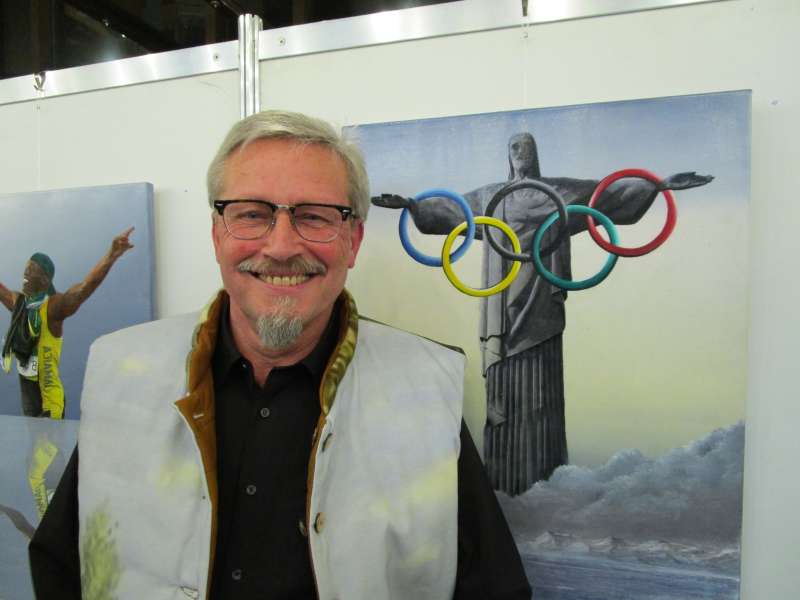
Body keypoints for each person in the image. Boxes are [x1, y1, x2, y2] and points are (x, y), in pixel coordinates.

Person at [29, 111, 532, 600]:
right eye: (252, 214)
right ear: (216, 234)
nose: (281, 245)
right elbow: (60, 567)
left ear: (353, 241)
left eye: (314, 216)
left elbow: (493, 588)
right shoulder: (121, 374)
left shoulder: (427, 388)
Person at [372, 132, 712, 495]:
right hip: (501, 302)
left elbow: (608, 198)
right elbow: (452, 212)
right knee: (502, 384)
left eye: (527, 147)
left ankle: (543, 485)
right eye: (515, 148)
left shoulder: (561, 192)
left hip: (541, 302)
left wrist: (660, 185)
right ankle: (504, 487)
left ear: (536, 154)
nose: (521, 153)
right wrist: (412, 205)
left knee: (540, 387)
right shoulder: (491, 197)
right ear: (508, 156)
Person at [0, 230, 134, 419]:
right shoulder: (20, 303)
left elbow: (85, 287)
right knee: (36, 445)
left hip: (48, 400)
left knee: (47, 447)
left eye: (32, 269)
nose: (26, 272)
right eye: (26, 268)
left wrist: (111, 256)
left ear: (45, 280)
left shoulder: (54, 308)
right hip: (29, 395)